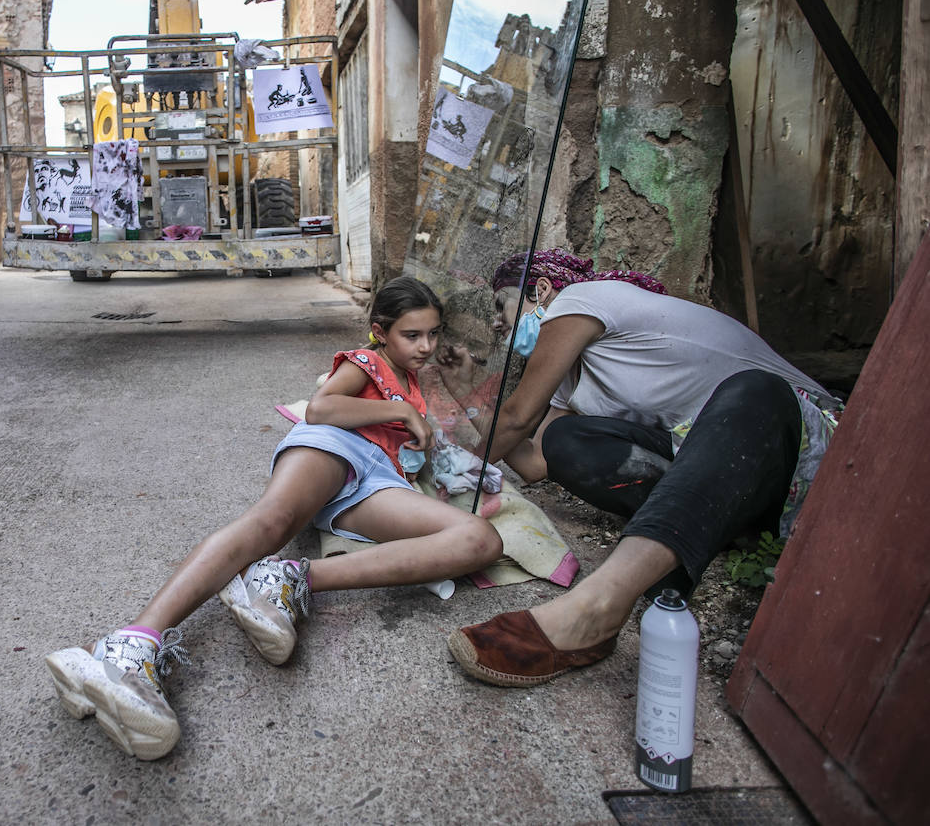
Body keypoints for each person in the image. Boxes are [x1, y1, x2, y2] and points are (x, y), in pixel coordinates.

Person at [45, 277, 505, 760]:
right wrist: (400, 412)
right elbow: (322, 407)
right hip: (335, 447)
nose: (426, 346)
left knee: (479, 540)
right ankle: (129, 648)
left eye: (433, 334)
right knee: (270, 525)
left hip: (378, 481)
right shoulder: (364, 360)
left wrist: (424, 421)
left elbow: (451, 425)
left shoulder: (414, 380)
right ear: (380, 332)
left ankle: (286, 578)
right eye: (413, 336)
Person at [441, 249, 841, 688]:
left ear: (540, 290)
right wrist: (464, 389)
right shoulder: (575, 376)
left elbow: (515, 418)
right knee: (564, 440)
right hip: (724, 479)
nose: (497, 322)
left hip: (793, 446)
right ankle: (696, 529)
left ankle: (599, 607)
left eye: (501, 305)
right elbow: (536, 461)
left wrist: (452, 479)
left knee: (757, 389)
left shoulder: (579, 300)